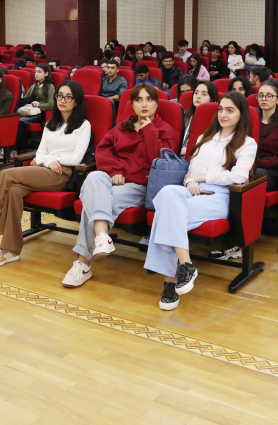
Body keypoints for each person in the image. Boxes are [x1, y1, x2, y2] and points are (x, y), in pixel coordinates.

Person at [146, 91, 258, 310]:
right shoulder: (204, 138)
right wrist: (190, 181)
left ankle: (170, 282)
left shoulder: (247, 143)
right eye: (220, 109)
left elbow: (239, 176)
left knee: (165, 215)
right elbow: (191, 171)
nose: (223, 114)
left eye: (230, 110)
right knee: (168, 193)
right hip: (192, 190)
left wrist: (204, 178)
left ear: (241, 114)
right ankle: (186, 265)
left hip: (221, 195)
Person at [0, 82, 92, 266]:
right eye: (60, 95)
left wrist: (53, 159)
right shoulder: (51, 123)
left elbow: (76, 158)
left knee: (7, 175)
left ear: (76, 101)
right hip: (45, 169)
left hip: (62, 173)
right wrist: (48, 160)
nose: (62, 100)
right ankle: (11, 250)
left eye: (68, 97)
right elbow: (40, 154)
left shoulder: (83, 125)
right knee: (14, 191)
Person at [61, 83, 177, 288]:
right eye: (138, 100)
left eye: (149, 99)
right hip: (115, 180)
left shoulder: (164, 129)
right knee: (94, 177)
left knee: (93, 201)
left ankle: (83, 263)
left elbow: (159, 160)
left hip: (142, 186)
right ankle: (102, 237)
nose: (144, 104)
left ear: (157, 104)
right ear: (132, 104)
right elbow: (103, 150)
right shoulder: (123, 127)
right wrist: (115, 170)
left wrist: (149, 130)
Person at [253, 80, 278, 193]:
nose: (264, 99)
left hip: (272, 170)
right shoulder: (251, 120)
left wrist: (257, 163)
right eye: (260, 95)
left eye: (269, 96)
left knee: (248, 176)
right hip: (249, 164)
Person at [16, 63, 55, 151]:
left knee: (21, 121)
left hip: (42, 113)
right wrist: (27, 104)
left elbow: (51, 104)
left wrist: (38, 105)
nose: (36, 74)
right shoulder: (34, 86)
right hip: (31, 111)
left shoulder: (50, 86)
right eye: (35, 72)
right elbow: (24, 99)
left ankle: (19, 148)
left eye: (39, 72)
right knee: (14, 119)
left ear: (46, 73)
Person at [179, 80, 218, 156]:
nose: (198, 96)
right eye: (196, 93)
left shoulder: (217, 121)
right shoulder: (183, 116)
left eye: (204, 94)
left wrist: (188, 151)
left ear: (212, 99)